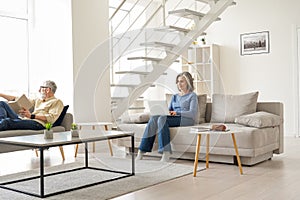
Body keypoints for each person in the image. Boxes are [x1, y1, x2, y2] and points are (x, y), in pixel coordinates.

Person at [137, 71, 198, 162]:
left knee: (162, 119)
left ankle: (166, 152)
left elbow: (192, 113)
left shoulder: (192, 96)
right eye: (178, 82)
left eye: (182, 81)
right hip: (175, 118)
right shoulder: (175, 96)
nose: (179, 84)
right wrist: (164, 111)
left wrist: (176, 113)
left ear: (188, 82)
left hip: (187, 119)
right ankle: (141, 151)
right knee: (154, 118)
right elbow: (168, 111)